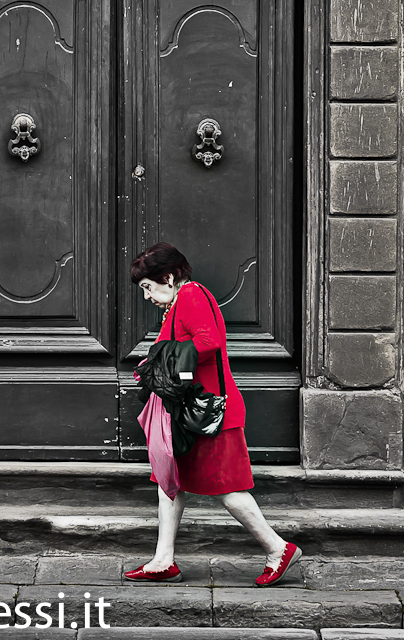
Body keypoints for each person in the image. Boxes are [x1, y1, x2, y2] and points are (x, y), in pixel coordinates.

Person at [124, 242, 301, 586]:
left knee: (228, 489)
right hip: (193, 414)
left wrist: (167, 361)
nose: (146, 296)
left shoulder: (192, 296)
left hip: (210, 414)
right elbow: (181, 348)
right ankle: (163, 561)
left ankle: (278, 549)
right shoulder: (178, 304)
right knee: (169, 484)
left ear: (169, 277)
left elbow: (209, 341)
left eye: (148, 287)